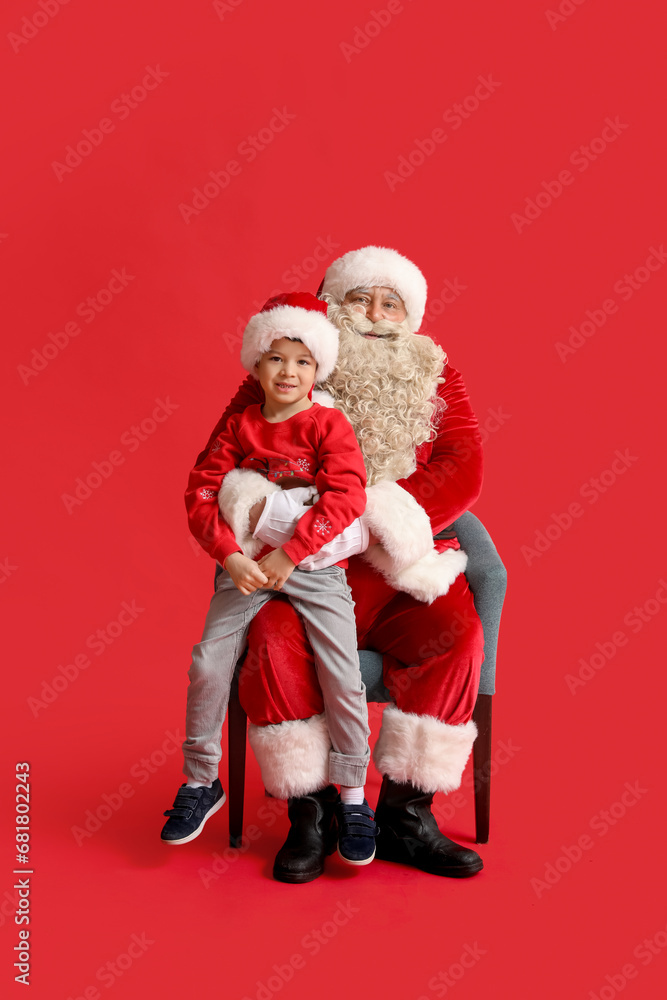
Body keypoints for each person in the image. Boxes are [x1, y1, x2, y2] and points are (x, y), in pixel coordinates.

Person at [188, 247, 486, 883]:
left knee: (457, 637)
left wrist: (381, 513)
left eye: (391, 304)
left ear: (412, 317)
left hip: (400, 564)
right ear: (331, 308)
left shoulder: (434, 370)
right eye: (359, 300)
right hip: (306, 565)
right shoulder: (291, 362)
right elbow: (223, 461)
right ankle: (313, 813)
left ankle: (408, 817)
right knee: (270, 644)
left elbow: (464, 464)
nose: (376, 316)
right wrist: (283, 522)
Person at [161, 292, 378, 867]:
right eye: (277, 358)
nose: (289, 371)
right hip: (248, 570)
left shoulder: (329, 424)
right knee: (208, 662)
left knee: (342, 672)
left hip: (314, 569)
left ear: (318, 370)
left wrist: (295, 552)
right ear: (256, 365)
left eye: (303, 361)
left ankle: (354, 795)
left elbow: (348, 495)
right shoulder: (239, 428)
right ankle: (201, 780)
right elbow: (201, 494)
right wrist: (230, 556)